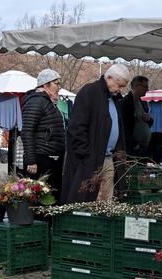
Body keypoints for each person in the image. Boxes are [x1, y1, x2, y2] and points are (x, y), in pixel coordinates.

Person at [61, 63, 129, 204]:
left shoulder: (115, 99)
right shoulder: (89, 92)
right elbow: (76, 127)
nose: (120, 90)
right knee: (89, 201)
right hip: (91, 160)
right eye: (119, 85)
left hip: (109, 158)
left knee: (106, 200)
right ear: (109, 78)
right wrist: (86, 154)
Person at [22, 69, 66, 200]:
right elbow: (27, 131)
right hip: (40, 159)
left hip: (52, 158)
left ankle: (49, 220)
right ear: (45, 85)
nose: (59, 87)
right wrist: (31, 160)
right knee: (40, 197)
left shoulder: (50, 102)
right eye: (56, 83)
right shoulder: (36, 101)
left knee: (52, 196)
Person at [119, 75, 153, 158]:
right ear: (136, 86)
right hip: (133, 149)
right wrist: (134, 145)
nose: (147, 89)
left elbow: (148, 124)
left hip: (144, 147)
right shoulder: (125, 103)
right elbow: (123, 127)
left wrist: (149, 120)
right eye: (145, 86)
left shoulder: (143, 103)